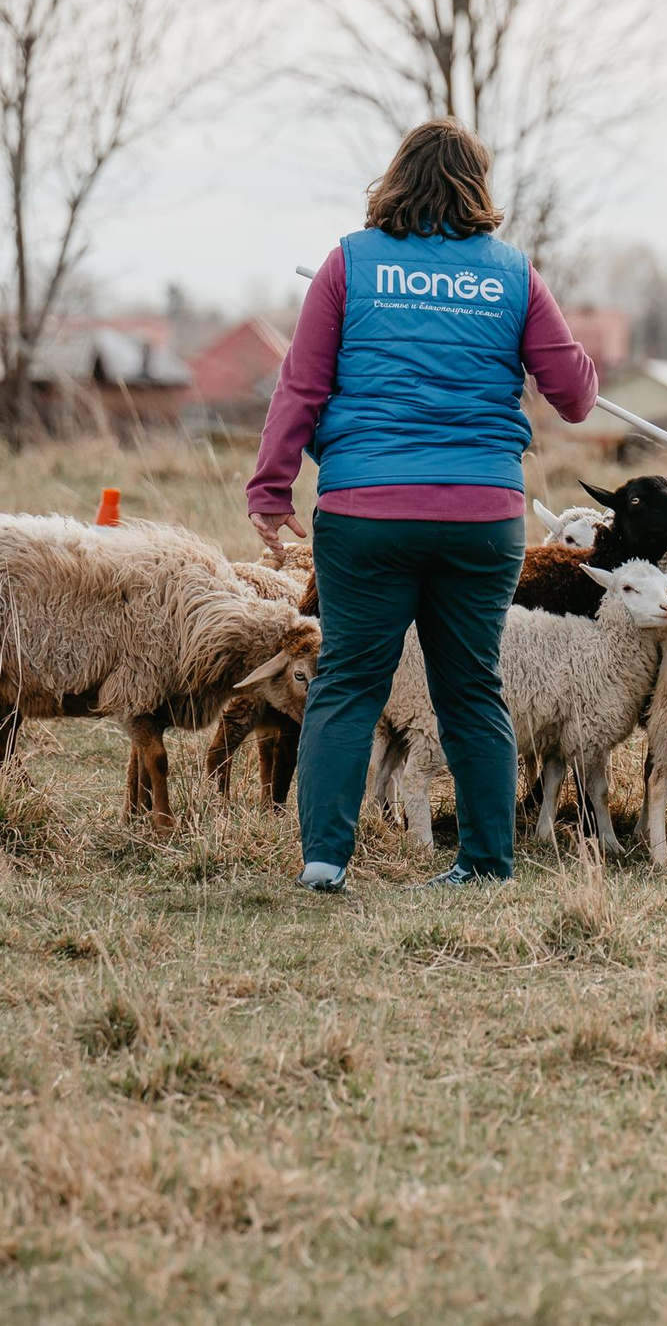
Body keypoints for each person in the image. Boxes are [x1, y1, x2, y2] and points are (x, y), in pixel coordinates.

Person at [248, 117, 597, 890]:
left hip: (366, 512)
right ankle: (485, 863)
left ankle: (324, 862)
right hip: (482, 518)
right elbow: (574, 396)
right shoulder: (512, 274)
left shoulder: (349, 265)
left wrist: (271, 488)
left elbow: (300, 386)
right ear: (479, 187)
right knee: (472, 687)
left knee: (347, 681)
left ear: (396, 179)